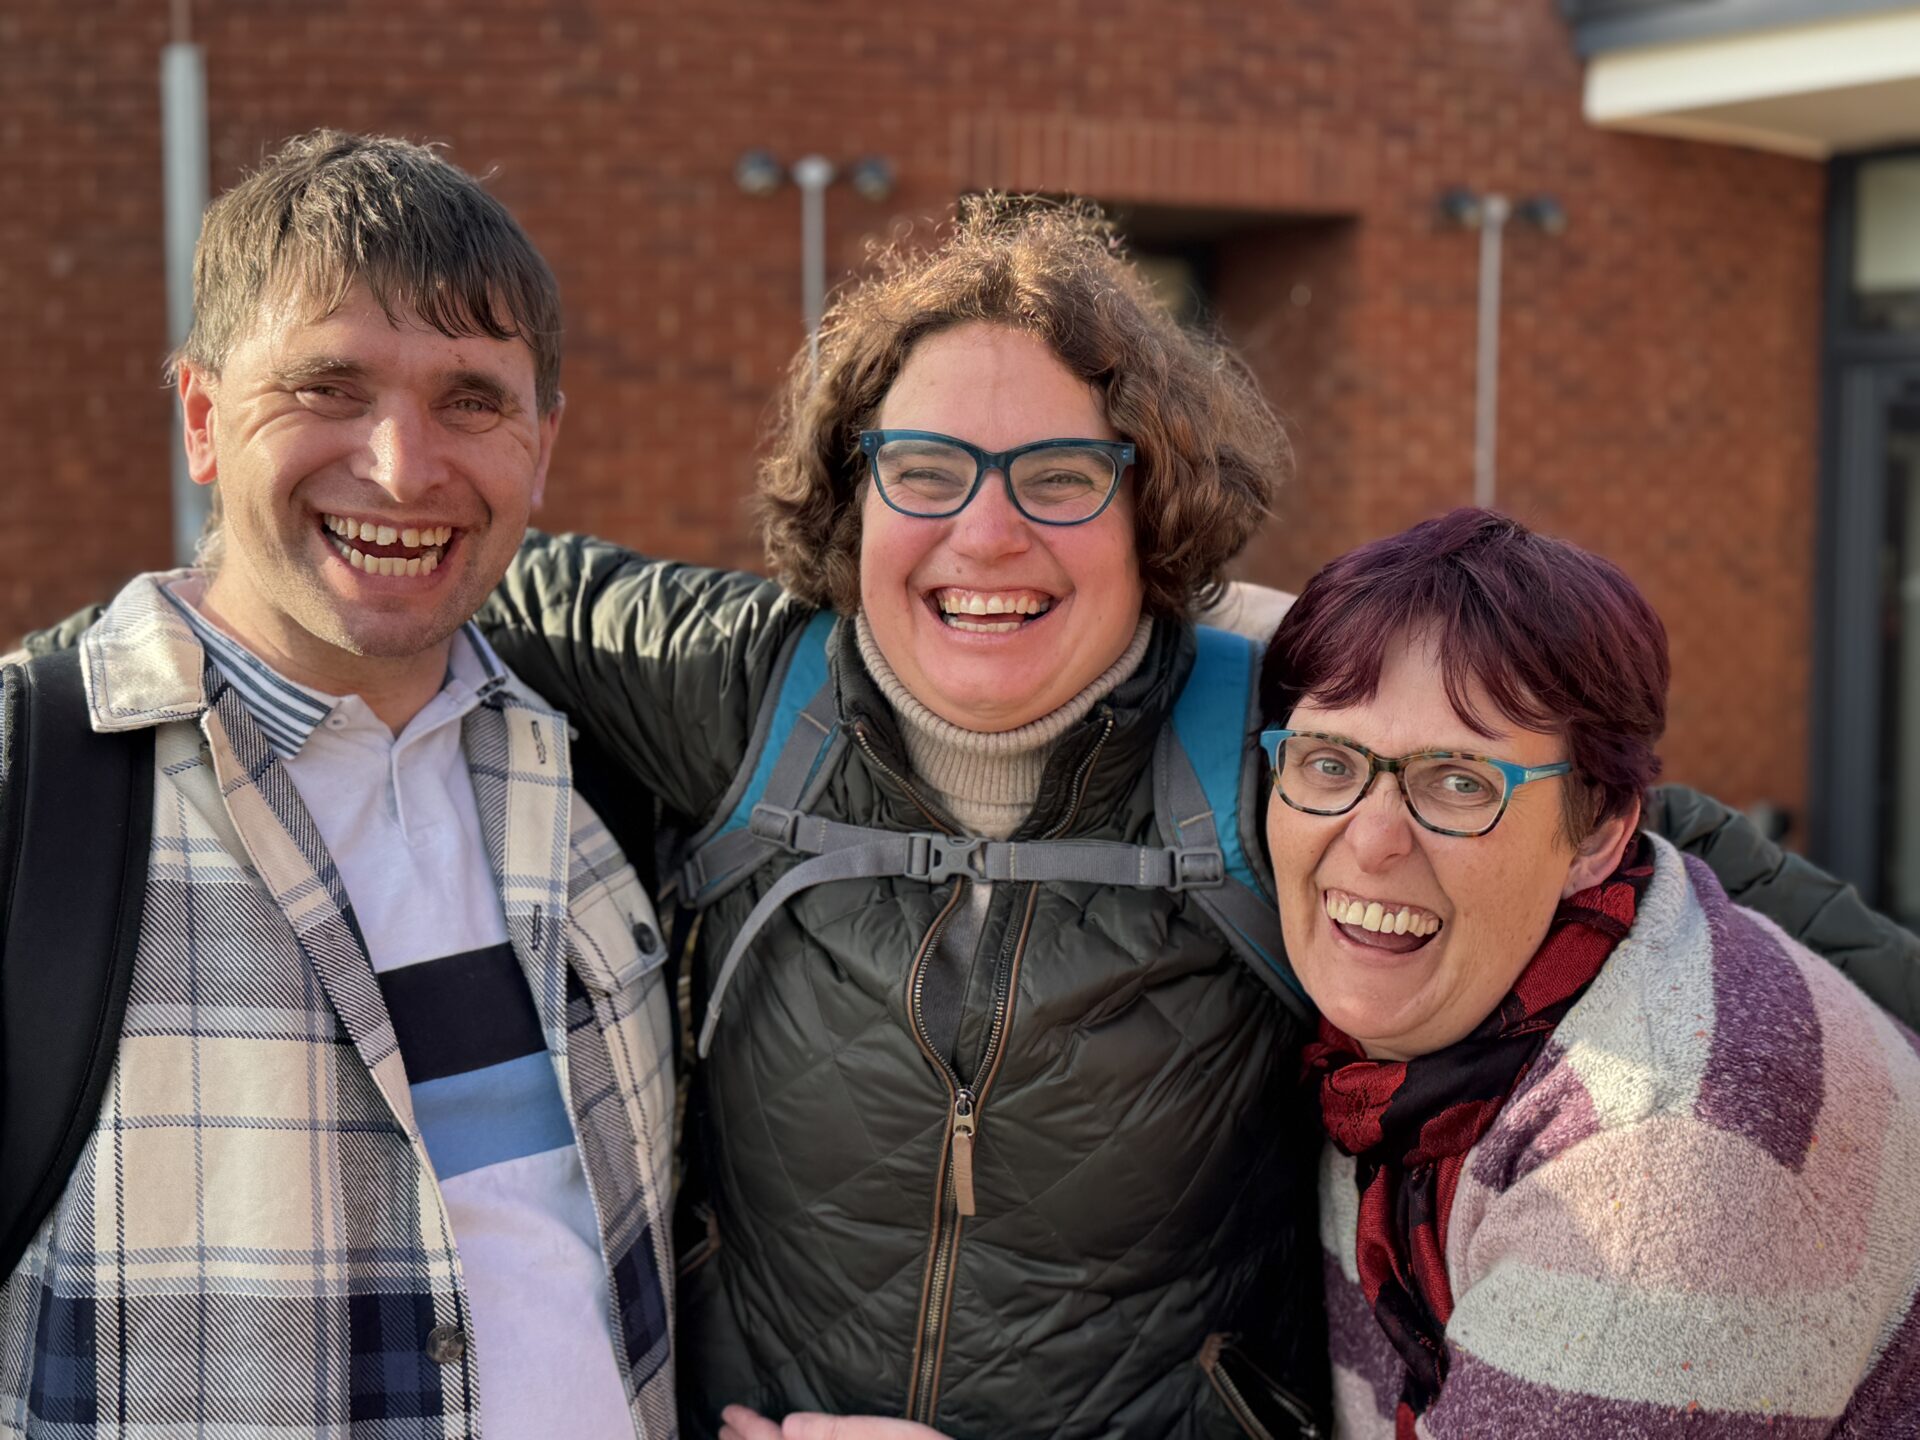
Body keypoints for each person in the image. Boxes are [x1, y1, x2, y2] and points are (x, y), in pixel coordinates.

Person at [475, 199, 1920, 1439]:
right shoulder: (736, 685)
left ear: (1147, 507)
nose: (986, 534)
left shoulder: (1281, 735)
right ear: (852, 496)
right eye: (922, 469)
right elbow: (471, 568)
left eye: (1061, 477)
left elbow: (1651, 837)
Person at [0, 132, 676, 1438]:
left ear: (540, 445)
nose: (403, 468)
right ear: (201, 418)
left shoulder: (604, 772)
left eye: (470, 400)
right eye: (328, 386)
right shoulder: (32, 798)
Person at [1259, 509, 1920, 1438]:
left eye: (1459, 782)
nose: (1368, 843)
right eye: (1329, 762)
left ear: (1601, 829)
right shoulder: (1419, 1052)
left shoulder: (1660, 1170)